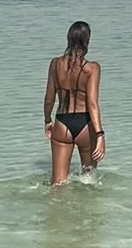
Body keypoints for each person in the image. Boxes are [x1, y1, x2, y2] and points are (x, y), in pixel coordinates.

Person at [43, 20, 105, 184]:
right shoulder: (92, 68)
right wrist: (99, 134)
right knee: (89, 179)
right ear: (87, 41)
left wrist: (47, 120)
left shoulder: (55, 64)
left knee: (57, 184)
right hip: (85, 125)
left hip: (62, 124)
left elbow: (49, 98)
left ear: (68, 39)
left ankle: (57, 209)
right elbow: (92, 104)